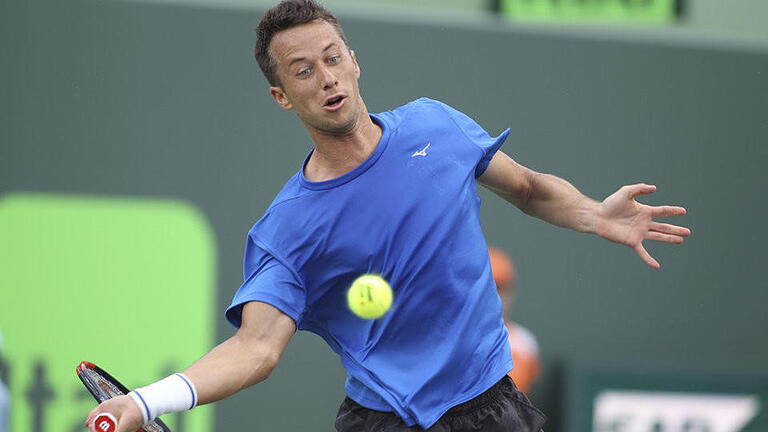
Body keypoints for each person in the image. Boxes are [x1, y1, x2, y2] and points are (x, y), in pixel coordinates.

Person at [84, 1, 691, 431]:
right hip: (387, 421)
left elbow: (529, 188)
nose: (326, 79)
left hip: (493, 406)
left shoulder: (434, 125)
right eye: (302, 71)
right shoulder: (288, 228)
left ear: (353, 59)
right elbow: (257, 349)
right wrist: (147, 400)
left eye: (331, 58)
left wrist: (594, 214)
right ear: (281, 95)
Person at [488, 246, 541, 396]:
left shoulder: (524, 343)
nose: (496, 296)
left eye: (500, 288)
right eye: (489, 288)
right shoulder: (454, 339)